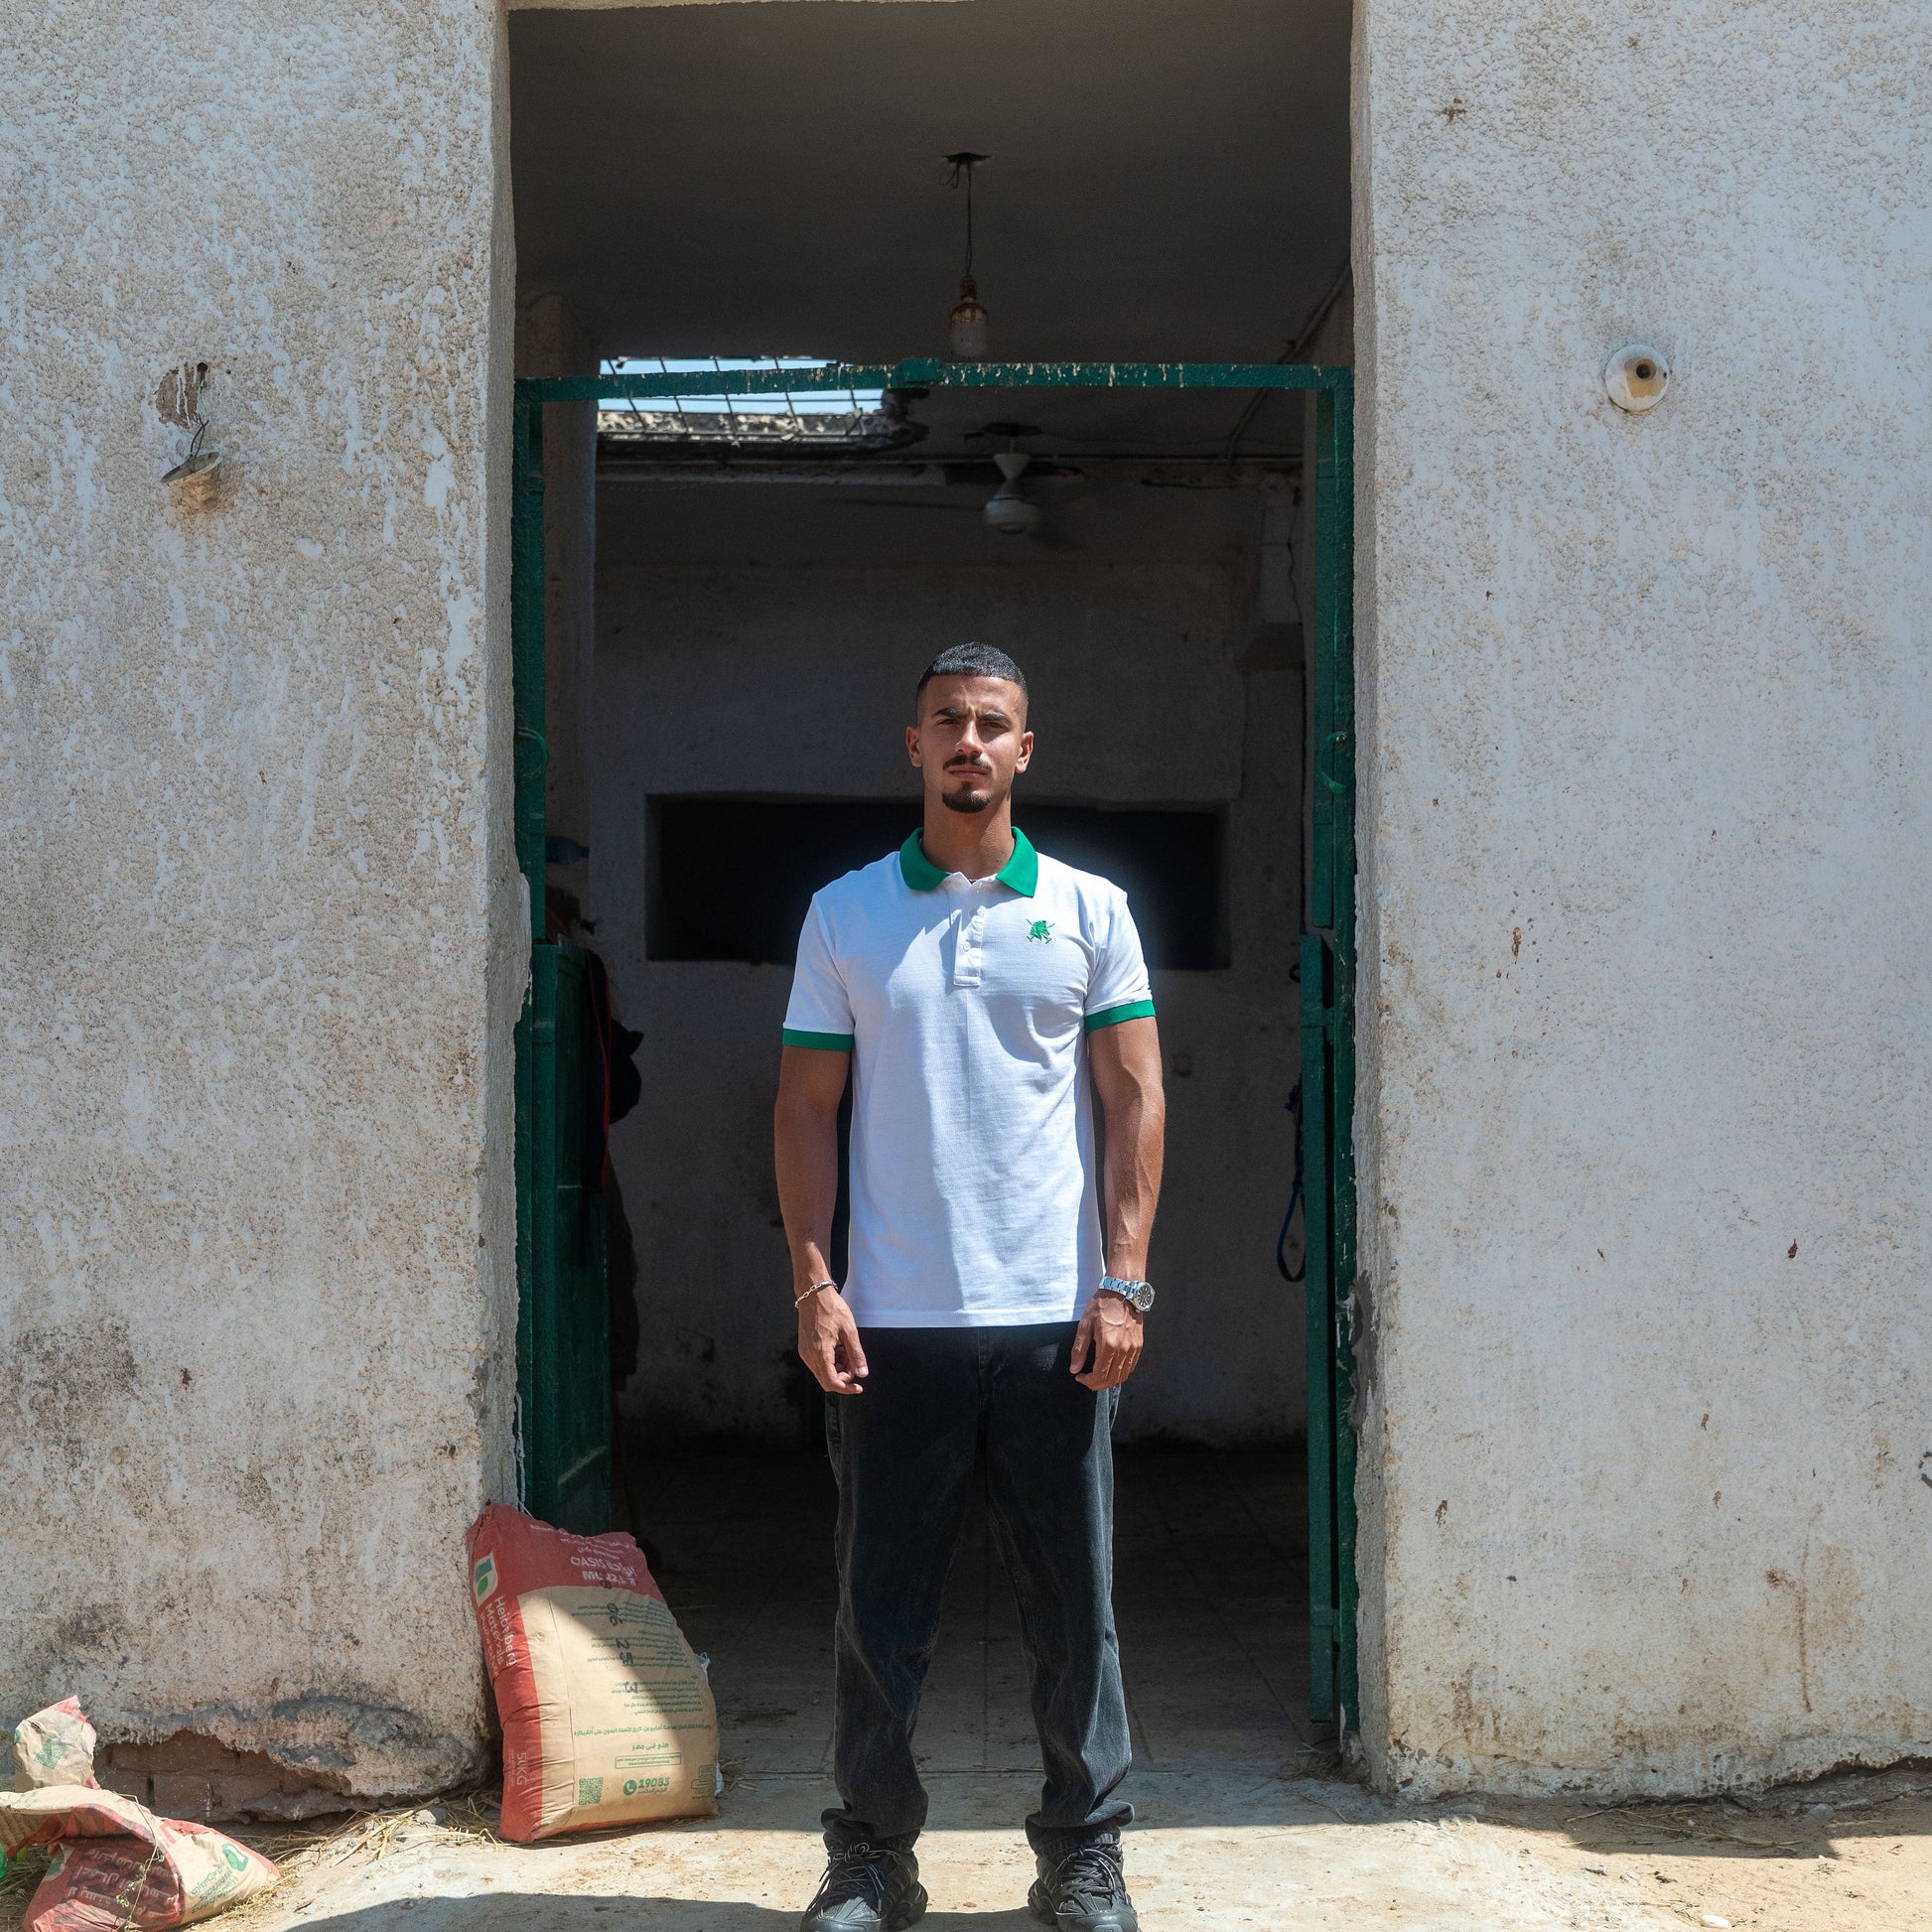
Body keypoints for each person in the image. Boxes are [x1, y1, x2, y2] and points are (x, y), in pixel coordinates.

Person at [773, 643, 1166, 1932]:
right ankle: (871, 1860)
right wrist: (814, 1282)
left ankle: (1081, 1859)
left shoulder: (1094, 910)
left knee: (1076, 1613)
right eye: (947, 720)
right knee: (878, 1615)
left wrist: (1125, 1283)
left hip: (1058, 1323)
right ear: (913, 743)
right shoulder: (845, 912)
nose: (969, 742)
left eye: (992, 723)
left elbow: (1132, 1096)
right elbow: (804, 1103)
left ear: (1023, 750)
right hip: (893, 1324)